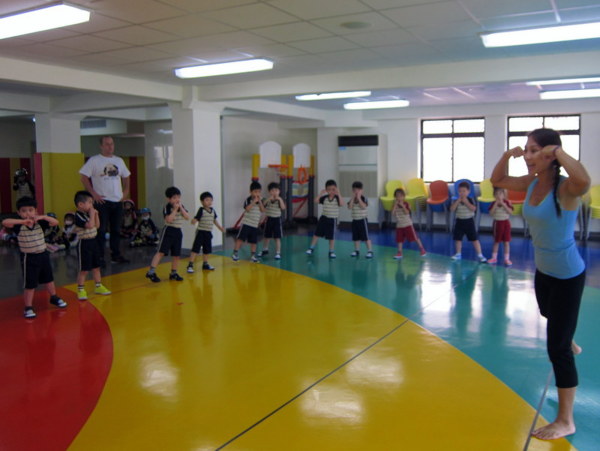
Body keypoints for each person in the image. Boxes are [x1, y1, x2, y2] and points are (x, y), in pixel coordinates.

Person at [491, 128, 589, 441]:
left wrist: (558, 152)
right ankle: (567, 336)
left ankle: (566, 420)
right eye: (527, 150)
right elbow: (497, 180)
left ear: (549, 154)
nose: (528, 156)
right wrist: (507, 154)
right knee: (548, 313)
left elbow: (585, 181)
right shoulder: (531, 182)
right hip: (544, 271)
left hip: (568, 275)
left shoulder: (566, 188)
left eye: (535, 150)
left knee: (557, 349)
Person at [1, 197, 67, 318]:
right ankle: (28, 307)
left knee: (49, 279)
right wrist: (22, 222)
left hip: (43, 255)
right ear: (19, 212)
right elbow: (5, 222)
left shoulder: (40, 223)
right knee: (30, 283)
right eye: (24, 211)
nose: (27, 213)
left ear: (35, 211)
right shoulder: (18, 225)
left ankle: (54, 297)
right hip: (29, 258)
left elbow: (55, 222)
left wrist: (43, 217)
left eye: (30, 210)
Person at [79, 136, 131, 265]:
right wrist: (93, 194)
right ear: (101, 146)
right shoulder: (94, 160)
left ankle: (116, 255)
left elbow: (126, 176)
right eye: (107, 144)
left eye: (111, 144)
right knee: (101, 230)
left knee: (116, 230)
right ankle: (99, 257)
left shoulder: (119, 160)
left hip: (117, 201)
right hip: (102, 201)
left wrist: (125, 193)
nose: (110, 146)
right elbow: (84, 177)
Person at [73, 191, 111, 301]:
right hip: (84, 243)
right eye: (89, 202)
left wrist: (96, 215)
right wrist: (92, 214)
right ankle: (81, 289)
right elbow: (90, 225)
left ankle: (98, 285)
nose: (92, 205)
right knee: (84, 269)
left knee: (96, 266)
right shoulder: (78, 216)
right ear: (81, 204)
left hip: (93, 241)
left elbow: (97, 226)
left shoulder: (88, 214)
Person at [146, 187, 189, 282]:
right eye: (174, 198)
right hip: (169, 231)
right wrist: (175, 210)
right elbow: (169, 220)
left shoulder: (181, 206)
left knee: (176, 254)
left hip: (178, 232)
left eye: (178, 197)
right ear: (169, 199)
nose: (177, 200)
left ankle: (173, 273)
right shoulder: (167, 207)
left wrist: (181, 208)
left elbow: (187, 217)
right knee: (161, 252)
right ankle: (151, 272)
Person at [187, 192, 225, 272]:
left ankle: (205, 264)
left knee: (206, 249)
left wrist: (220, 227)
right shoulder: (201, 210)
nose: (209, 202)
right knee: (195, 249)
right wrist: (194, 221)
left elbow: (214, 220)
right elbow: (196, 218)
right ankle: (190, 265)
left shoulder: (213, 210)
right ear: (202, 201)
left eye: (211, 200)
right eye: (207, 200)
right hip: (201, 232)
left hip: (208, 233)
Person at [450, 182, 487, 262]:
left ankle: (480, 255)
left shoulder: (471, 199)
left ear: (468, 191)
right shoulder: (456, 200)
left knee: (474, 239)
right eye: (460, 191)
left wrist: (466, 202)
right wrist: (458, 201)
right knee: (458, 239)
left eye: (464, 191)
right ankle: (458, 254)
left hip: (469, 221)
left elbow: (473, 209)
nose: (462, 193)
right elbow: (452, 209)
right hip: (459, 221)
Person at [306, 179, 342, 259]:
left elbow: (341, 204)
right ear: (326, 190)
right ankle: (311, 248)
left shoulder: (337, 198)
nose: (331, 191)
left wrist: (339, 193)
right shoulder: (325, 198)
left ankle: (331, 251)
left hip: (332, 220)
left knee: (331, 237)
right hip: (323, 218)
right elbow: (316, 201)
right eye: (329, 189)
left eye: (333, 189)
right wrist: (320, 194)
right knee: (316, 234)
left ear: (336, 189)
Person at [232, 181, 265, 263]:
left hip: (254, 225)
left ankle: (253, 256)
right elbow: (247, 209)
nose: (257, 194)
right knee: (240, 238)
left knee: (254, 241)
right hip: (246, 223)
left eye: (259, 192)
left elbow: (262, 210)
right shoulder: (248, 199)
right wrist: (253, 202)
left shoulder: (261, 200)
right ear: (250, 192)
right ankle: (235, 253)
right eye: (255, 192)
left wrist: (259, 202)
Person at [391, 188, 426, 259]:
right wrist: (395, 206)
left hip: (408, 224)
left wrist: (403, 206)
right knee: (399, 239)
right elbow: (393, 213)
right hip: (399, 225)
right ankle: (399, 252)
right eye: (397, 196)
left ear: (404, 197)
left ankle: (422, 249)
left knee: (415, 237)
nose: (399, 198)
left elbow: (407, 212)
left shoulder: (406, 204)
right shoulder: (395, 205)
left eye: (400, 196)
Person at [258, 182, 286, 260]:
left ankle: (278, 253)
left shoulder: (280, 199)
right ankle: (265, 250)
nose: (274, 192)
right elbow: (263, 206)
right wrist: (268, 199)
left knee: (277, 237)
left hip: (277, 220)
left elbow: (283, 208)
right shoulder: (267, 199)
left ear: (279, 191)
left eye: (276, 190)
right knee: (267, 236)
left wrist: (279, 199)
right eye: (272, 190)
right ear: (269, 192)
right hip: (269, 219)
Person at [488, 187, 513, 265]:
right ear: (494, 196)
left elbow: (510, 212)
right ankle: (494, 258)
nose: (498, 196)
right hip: (497, 223)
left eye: (500, 194)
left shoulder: (507, 202)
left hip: (506, 223)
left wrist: (504, 205)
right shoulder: (493, 203)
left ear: (504, 195)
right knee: (496, 241)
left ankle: (507, 259)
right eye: (496, 194)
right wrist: (495, 204)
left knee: (506, 242)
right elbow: (491, 213)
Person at [347, 181, 373, 258]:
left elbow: (363, 206)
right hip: (355, 220)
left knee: (365, 237)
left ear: (362, 190)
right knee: (356, 237)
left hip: (362, 220)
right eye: (355, 190)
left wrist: (358, 198)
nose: (356, 192)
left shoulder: (364, 198)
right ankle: (356, 250)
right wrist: (353, 198)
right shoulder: (352, 199)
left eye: (358, 190)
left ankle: (370, 251)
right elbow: (349, 207)